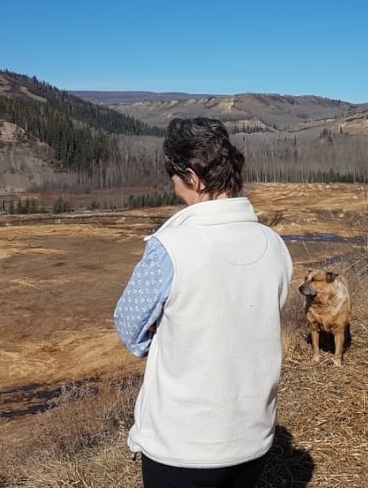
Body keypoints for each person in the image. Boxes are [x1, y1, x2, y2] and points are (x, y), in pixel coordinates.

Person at [114, 117, 294, 488]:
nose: (174, 187)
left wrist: (175, 339)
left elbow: (130, 329)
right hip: (254, 438)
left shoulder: (171, 249)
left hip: (184, 447)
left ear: (193, 178)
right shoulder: (273, 244)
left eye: (174, 179)